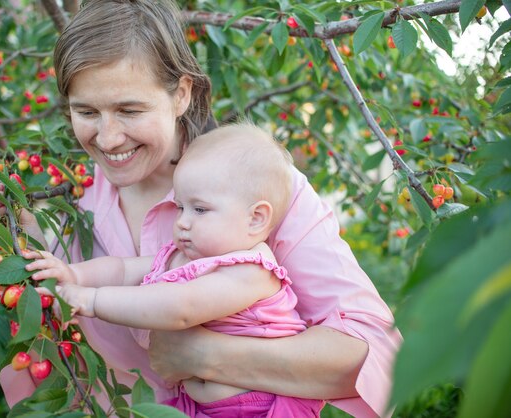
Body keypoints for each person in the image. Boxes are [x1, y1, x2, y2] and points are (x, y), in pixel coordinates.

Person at [0, 1, 402, 417]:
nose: (108, 137)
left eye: (130, 110)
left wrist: (202, 354)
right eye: (86, 112)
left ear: (182, 94)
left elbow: (375, 355)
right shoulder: (60, 205)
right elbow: (31, 353)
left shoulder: (255, 190)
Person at [24, 123, 325, 417]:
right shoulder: (182, 255)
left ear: (256, 219)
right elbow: (123, 269)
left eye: (200, 209)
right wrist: (75, 275)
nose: (181, 221)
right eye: (180, 207)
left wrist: (90, 300)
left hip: (261, 408)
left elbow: (181, 307)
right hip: (196, 407)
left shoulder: (252, 270)